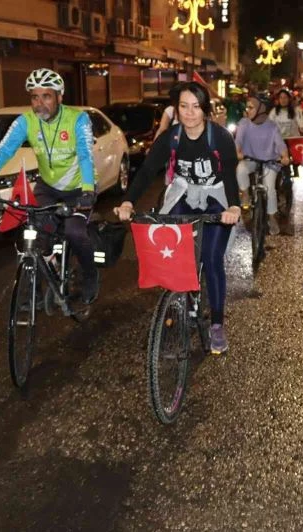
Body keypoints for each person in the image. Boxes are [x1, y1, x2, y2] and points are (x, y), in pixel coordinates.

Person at [114, 82, 241, 354]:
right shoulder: (171, 137)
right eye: (184, 106)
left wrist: (234, 207)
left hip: (216, 196)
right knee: (170, 247)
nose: (189, 113)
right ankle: (177, 303)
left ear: (205, 109)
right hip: (184, 193)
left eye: (196, 107)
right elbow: (147, 171)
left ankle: (217, 324)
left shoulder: (219, 137)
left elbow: (230, 174)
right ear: (176, 109)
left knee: (211, 257)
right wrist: (128, 201)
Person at [0, 68, 99, 304]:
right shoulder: (26, 122)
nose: (40, 104)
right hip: (48, 187)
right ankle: (37, 287)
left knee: (75, 232)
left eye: (46, 96)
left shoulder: (78, 119)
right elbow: (2, 152)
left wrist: (88, 189)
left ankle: (91, 277)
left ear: (59, 96)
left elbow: (85, 155)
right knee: (35, 234)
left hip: (79, 189)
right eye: (34, 97)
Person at [235, 93, 290, 235]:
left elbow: (280, 144)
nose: (247, 110)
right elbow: (238, 141)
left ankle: (272, 218)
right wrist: (237, 152)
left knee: (269, 188)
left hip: (270, 162)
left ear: (261, 109)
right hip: (250, 160)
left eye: (251, 107)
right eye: (247, 107)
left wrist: (284, 156)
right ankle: (245, 194)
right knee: (240, 169)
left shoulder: (272, 127)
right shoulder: (244, 123)